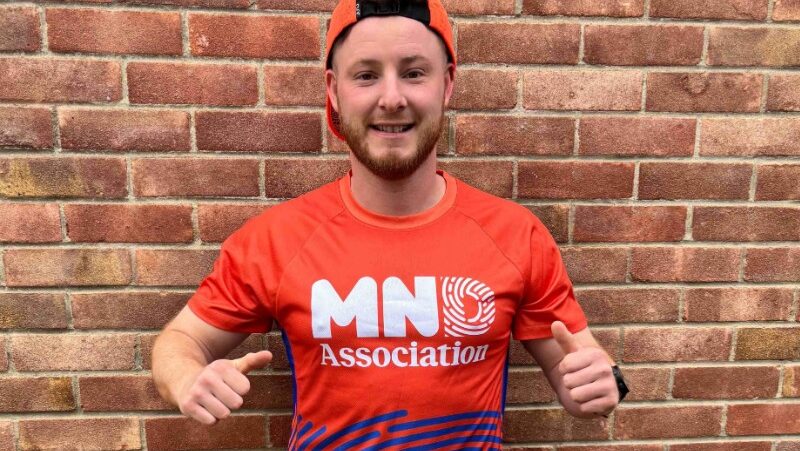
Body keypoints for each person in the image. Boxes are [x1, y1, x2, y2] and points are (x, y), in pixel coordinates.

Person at [152, 0, 629, 448]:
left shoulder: (515, 234)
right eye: (365, 75)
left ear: (447, 85)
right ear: (333, 92)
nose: (392, 97)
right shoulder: (275, 240)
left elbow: (581, 368)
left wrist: (601, 384)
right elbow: (182, 341)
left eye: (414, 72)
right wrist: (187, 379)